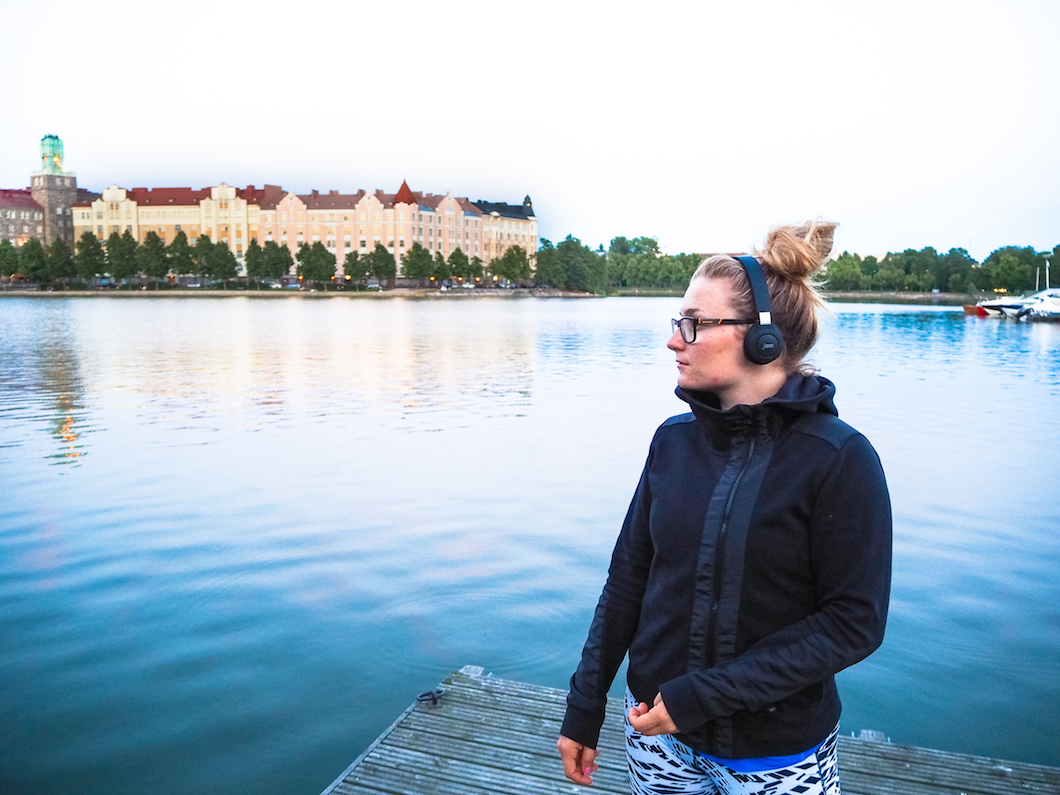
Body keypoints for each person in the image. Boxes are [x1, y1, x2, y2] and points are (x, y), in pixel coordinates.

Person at [556, 221, 892, 795]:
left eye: (693, 324)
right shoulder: (673, 442)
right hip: (658, 738)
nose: (673, 339)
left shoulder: (839, 459)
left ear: (763, 340)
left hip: (778, 755)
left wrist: (702, 697)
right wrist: (585, 702)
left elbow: (853, 624)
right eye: (676, 322)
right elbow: (627, 582)